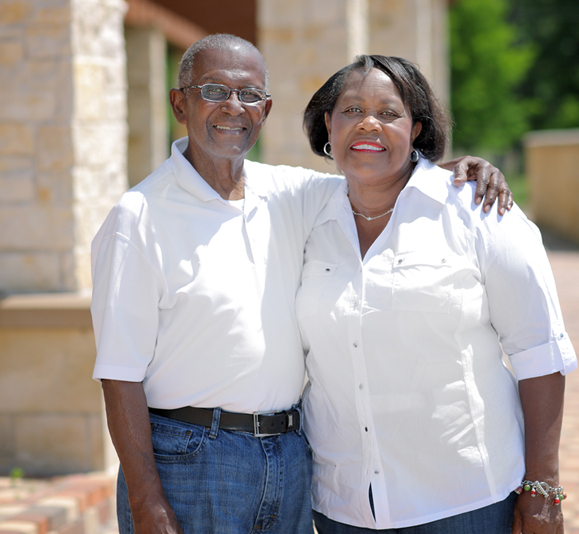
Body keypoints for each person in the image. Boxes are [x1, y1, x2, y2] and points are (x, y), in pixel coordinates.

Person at [91, 35, 510, 534]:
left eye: (248, 95)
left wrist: (455, 174)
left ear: (265, 110)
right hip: (191, 460)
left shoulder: (291, 193)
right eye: (213, 90)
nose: (232, 106)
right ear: (180, 103)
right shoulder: (137, 217)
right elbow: (118, 375)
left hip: (290, 458)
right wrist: (147, 501)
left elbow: (379, 171)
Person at [297, 55, 577, 534]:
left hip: (464, 502)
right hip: (342, 507)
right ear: (327, 124)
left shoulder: (480, 211)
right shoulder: (303, 213)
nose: (368, 123)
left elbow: (539, 354)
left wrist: (543, 488)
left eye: (389, 113)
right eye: (351, 110)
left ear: (417, 128)